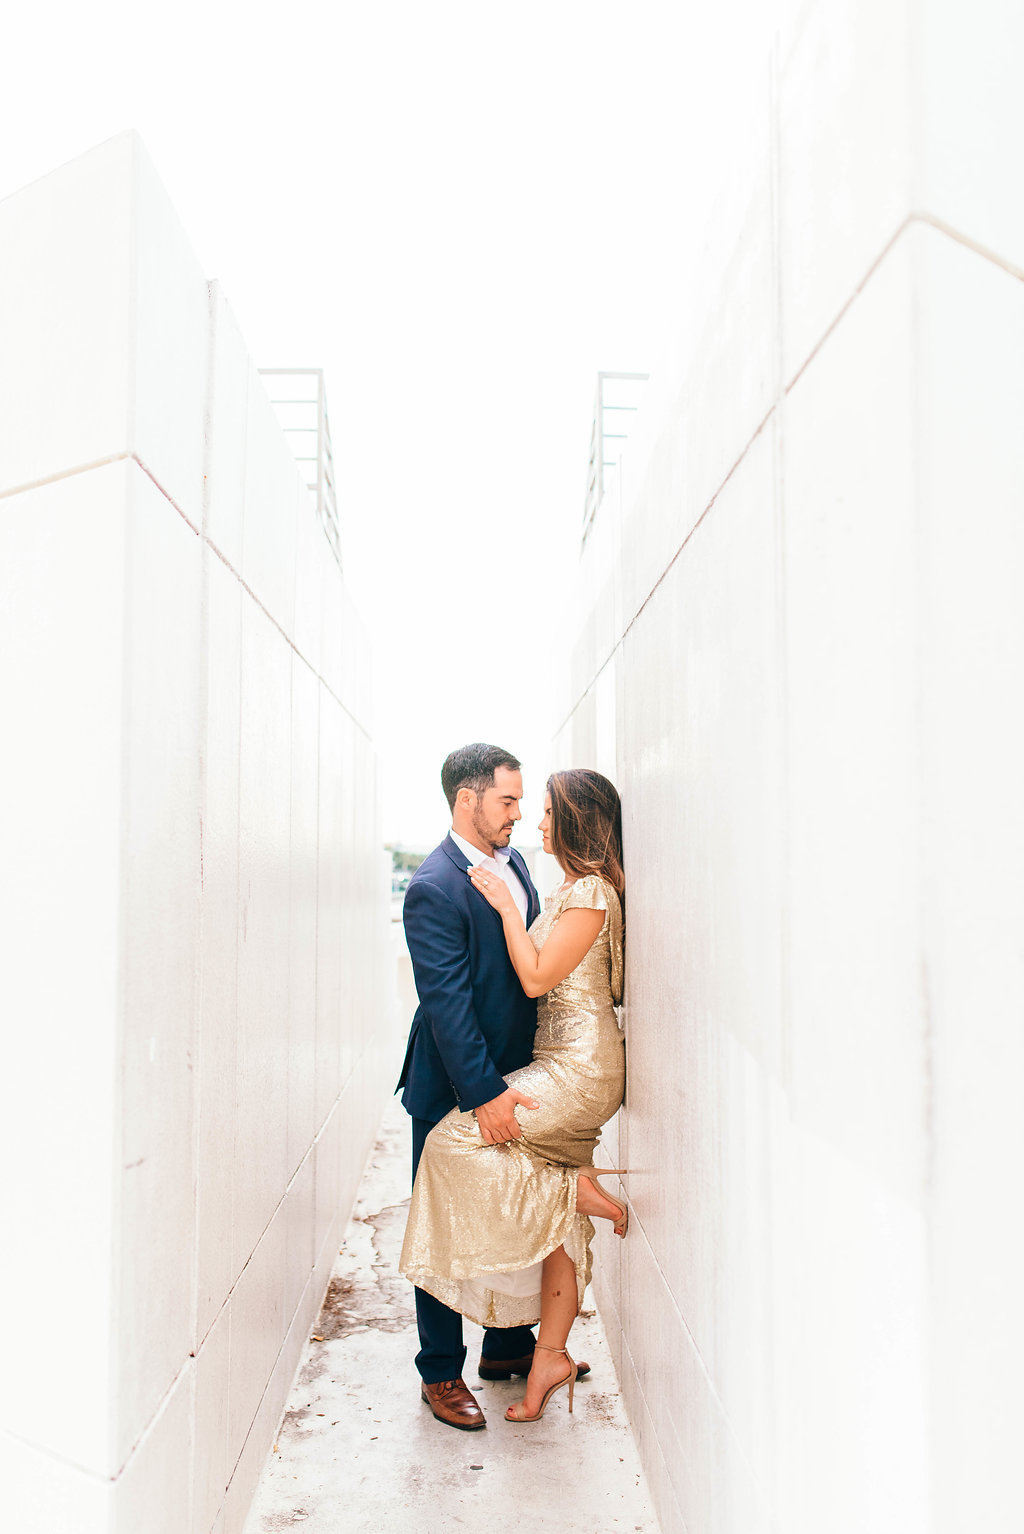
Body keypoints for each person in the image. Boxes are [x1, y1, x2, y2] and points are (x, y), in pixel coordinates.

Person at [400, 766, 627, 1424]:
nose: (521, 814)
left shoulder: (523, 869)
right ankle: (440, 1371)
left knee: (516, 1213)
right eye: (508, 800)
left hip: (529, 1068)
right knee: (449, 1208)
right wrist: (484, 1092)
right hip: (455, 1077)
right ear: (466, 799)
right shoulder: (434, 885)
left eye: (530, 801)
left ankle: (508, 1346)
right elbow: (446, 1006)